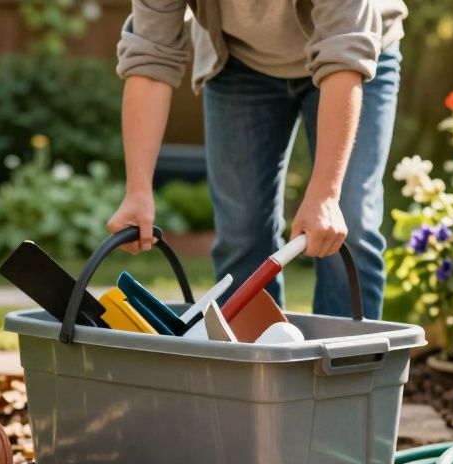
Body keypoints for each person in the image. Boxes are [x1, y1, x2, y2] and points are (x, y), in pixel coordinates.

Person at [109, 1, 407, 319]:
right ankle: (253, 364)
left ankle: (347, 366)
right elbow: (151, 55)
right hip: (238, 63)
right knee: (242, 236)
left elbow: (345, 52)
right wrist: (138, 191)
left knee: (349, 222)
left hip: (354, 50)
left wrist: (326, 194)